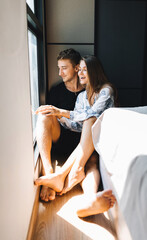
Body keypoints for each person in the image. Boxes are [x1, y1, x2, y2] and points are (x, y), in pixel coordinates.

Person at [35, 55, 118, 208]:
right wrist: (56, 115)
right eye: (79, 70)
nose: (80, 73)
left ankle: (85, 194)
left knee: (91, 160)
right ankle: (59, 178)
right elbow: (78, 125)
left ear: (94, 71)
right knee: (47, 114)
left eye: (85, 70)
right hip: (85, 137)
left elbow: (91, 115)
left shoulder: (106, 90)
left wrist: (61, 111)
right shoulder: (81, 97)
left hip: (101, 138)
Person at [35, 48, 84, 202]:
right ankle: (49, 173)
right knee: (45, 115)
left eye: (64, 68)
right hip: (61, 138)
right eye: (59, 68)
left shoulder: (90, 90)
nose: (60, 73)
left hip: (83, 143)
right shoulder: (56, 91)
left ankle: (56, 179)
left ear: (76, 68)